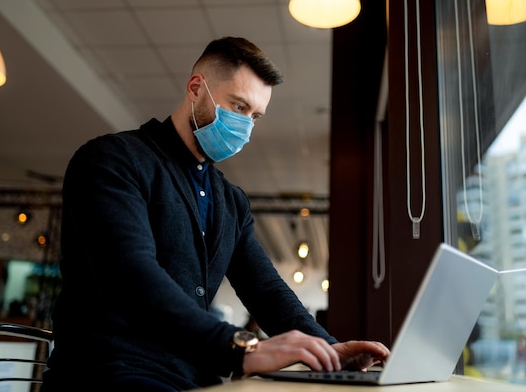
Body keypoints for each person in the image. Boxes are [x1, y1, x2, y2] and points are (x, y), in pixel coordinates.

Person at [40, 37, 389, 392]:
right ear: (196, 88)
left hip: (195, 380)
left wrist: (329, 349)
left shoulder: (231, 202)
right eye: (239, 107)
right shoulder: (113, 160)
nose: (246, 127)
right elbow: (132, 276)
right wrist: (241, 348)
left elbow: (265, 290)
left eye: (255, 116)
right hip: (109, 373)